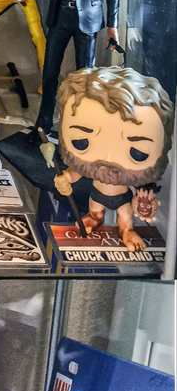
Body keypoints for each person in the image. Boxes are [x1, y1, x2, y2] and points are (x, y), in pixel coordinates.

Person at [17, 0, 121, 140]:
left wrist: (113, 26)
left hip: (87, 20)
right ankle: (43, 124)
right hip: (60, 15)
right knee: (49, 72)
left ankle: (82, 126)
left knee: (85, 76)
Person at [51, 67, 171, 253]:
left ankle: (127, 232)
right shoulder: (89, 168)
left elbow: (143, 191)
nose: (107, 159)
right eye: (81, 142)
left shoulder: (133, 176)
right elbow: (74, 174)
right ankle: (94, 219)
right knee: (95, 212)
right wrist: (65, 178)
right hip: (96, 194)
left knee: (125, 219)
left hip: (122, 198)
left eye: (137, 152)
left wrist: (144, 203)